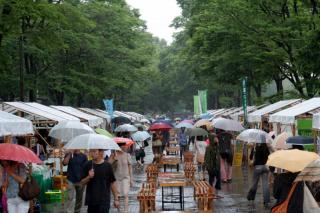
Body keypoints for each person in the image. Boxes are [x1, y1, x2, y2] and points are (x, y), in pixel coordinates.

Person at [109, 143, 133, 213]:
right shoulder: (113, 155)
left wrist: (131, 179)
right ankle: (119, 211)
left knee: (125, 194)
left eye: (125, 146)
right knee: (118, 195)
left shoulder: (127, 155)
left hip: (125, 177)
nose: (124, 147)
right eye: (122, 146)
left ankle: (126, 211)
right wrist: (113, 160)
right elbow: (108, 165)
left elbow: (130, 168)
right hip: (116, 178)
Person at [247, 137, 270, 207]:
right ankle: (266, 201)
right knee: (265, 185)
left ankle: (251, 197)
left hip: (257, 168)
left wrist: (252, 149)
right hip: (265, 167)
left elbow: (251, 158)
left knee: (254, 183)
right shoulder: (266, 147)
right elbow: (268, 156)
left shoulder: (255, 147)